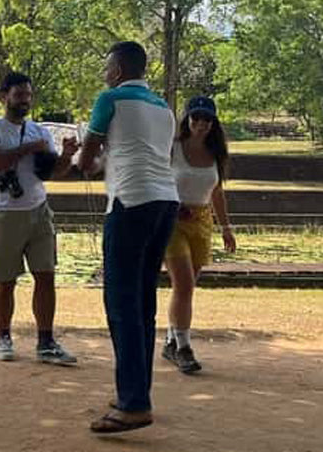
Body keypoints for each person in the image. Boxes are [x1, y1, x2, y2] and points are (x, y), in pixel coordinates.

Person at [73, 41, 180, 434]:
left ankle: (134, 402)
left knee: (120, 302)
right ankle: (137, 392)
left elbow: (87, 161)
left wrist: (77, 158)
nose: (105, 74)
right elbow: (149, 154)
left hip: (130, 201)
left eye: (107, 66)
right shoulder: (163, 108)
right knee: (143, 302)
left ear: (117, 70)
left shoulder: (110, 99)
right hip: (165, 201)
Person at [0, 72, 78, 367]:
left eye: (28, 95)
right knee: (6, 280)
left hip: (39, 210)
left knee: (46, 276)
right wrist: (27, 148)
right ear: (3, 96)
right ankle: (4, 336)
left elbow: (50, 174)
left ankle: (46, 341)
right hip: (5, 213)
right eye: (19, 95)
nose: (25, 101)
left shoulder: (41, 132)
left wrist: (67, 156)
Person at [163, 96, 236, 374]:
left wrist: (226, 227)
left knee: (188, 285)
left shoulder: (216, 152)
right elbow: (157, 179)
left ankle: (171, 339)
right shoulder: (173, 148)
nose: (201, 124)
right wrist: (172, 205)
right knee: (184, 285)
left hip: (202, 221)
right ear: (187, 119)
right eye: (196, 118)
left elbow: (217, 192)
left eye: (207, 120)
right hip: (173, 221)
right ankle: (184, 346)